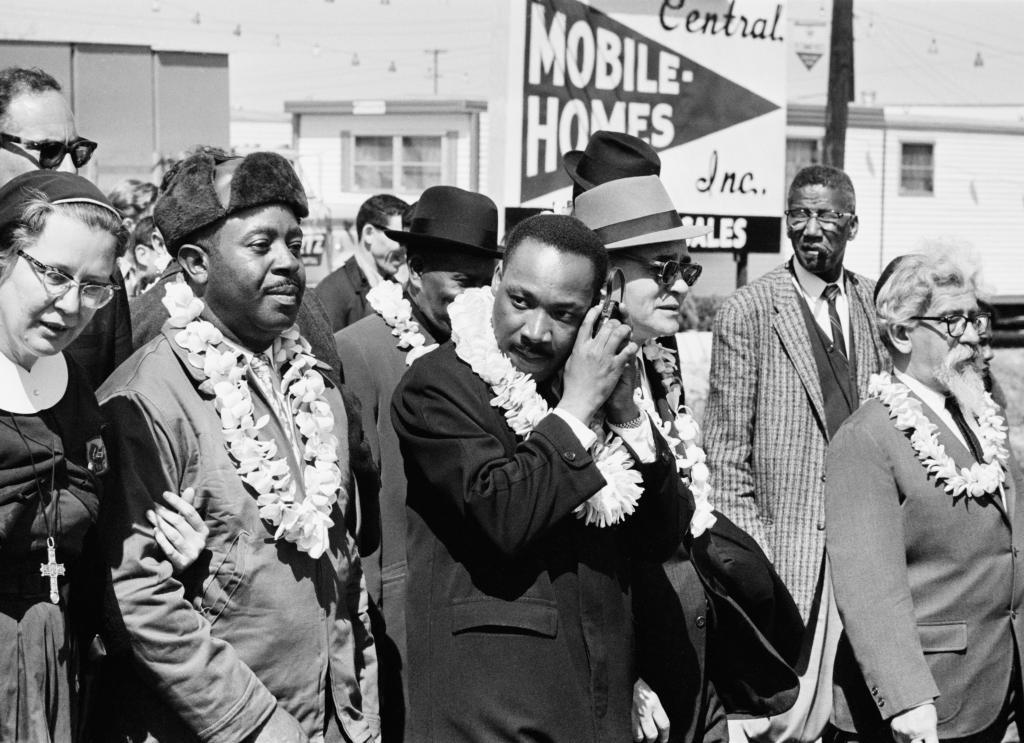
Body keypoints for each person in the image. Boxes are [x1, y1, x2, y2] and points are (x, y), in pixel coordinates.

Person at [96, 150, 379, 742]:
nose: (288, 263)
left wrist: (359, 705)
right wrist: (258, 728)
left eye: (295, 243)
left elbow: (343, 571)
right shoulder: (147, 398)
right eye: (260, 245)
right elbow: (139, 599)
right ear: (195, 264)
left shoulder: (316, 386)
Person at [392, 213, 687, 741]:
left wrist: (626, 415)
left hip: (595, 707)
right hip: (488, 713)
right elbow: (501, 513)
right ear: (498, 276)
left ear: (598, 310)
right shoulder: (437, 385)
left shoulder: (593, 386)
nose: (534, 331)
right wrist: (576, 409)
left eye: (563, 314)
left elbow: (663, 534)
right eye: (521, 301)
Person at [575, 175, 801, 743]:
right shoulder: (568, 386)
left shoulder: (655, 360)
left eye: (686, 269)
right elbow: (575, 562)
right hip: (634, 680)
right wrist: (619, 675)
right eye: (662, 268)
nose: (679, 286)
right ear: (607, 277)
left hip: (694, 659)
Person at [0, 170, 206, 742]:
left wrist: (172, 553)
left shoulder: (79, 391)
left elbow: (90, 550)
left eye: (94, 286)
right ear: (3, 257)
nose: (71, 305)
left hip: (60, 670)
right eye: (55, 275)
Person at [826, 248, 1024, 742]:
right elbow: (868, 585)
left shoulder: (980, 414)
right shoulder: (866, 437)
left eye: (974, 318)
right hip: (925, 707)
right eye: (953, 321)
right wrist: (907, 697)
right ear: (900, 333)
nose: (974, 335)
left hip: (997, 685)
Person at [334, 185, 499, 741]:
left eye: (485, 284)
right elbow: (356, 492)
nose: (477, 299)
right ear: (413, 269)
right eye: (462, 284)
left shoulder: (493, 350)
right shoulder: (360, 348)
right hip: (403, 601)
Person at [704, 164, 890, 619]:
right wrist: (755, 563)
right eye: (798, 215)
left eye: (826, 216)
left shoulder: (879, 304)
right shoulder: (748, 311)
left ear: (852, 224)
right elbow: (725, 459)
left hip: (872, 549)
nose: (809, 230)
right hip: (788, 563)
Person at [0, 65, 132, 388]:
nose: (70, 167)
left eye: (77, 151)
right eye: (49, 151)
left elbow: (114, 400)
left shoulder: (98, 272)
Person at [316, 193, 409, 331]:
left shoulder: (398, 289)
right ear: (369, 234)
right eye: (400, 238)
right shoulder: (331, 293)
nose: (405, 250)